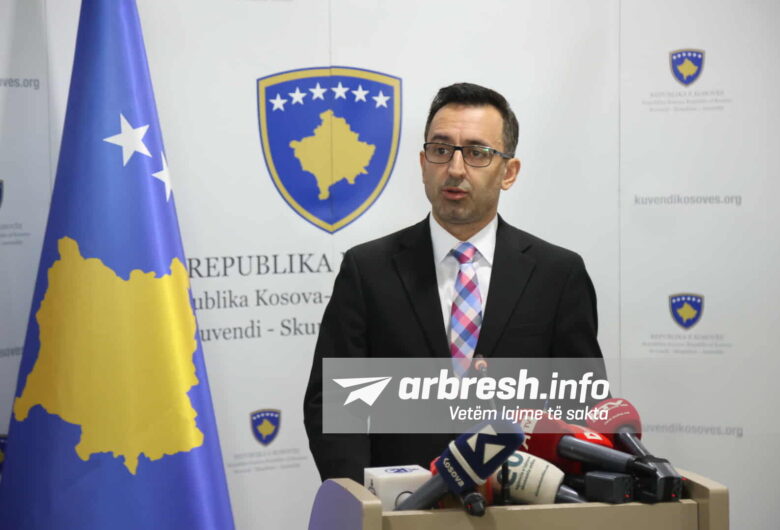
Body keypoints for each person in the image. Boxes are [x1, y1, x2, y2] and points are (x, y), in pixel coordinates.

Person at [303, 82, 603, 483]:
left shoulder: (557, 274)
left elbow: (580, 407)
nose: (456, 169)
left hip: (518, 503)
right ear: (423, 163)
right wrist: (365, 501)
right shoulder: (368, 270)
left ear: (509, 172)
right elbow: (334, 405)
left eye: (477, 153)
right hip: (401, 504)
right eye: (441, 150)